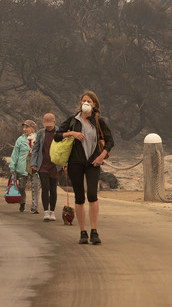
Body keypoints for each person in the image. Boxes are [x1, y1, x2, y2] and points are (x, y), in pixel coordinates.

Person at [55, 91, 114, 245]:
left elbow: (110, 141)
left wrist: (101, 156)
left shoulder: (99, 121)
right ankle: (83, 232)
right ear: (80, 103)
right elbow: (57, 135)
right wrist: (72, 133)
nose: (85, 103)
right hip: (75, 162)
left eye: (89, 101)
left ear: (94, 104)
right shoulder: (73, 120)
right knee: (79, 197)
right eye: (83, 101)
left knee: (92, 195)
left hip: (93, 162)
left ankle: (94, 231)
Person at [30, 113, 61, 221]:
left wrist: (64, 163)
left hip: (55, 164)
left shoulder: (60, 132)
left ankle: (52, 211)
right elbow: (36, 148)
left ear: (54, 122)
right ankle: (46, 211)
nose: (48, 126)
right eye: (46, 124)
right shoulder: (41, 133)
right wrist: (33, 163)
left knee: (53, 189)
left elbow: (64, 149)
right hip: (43, 163)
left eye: (50, 124)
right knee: (45, 187)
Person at [9, 120, 37, 213]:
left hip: (34, 167)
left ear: (32, 128)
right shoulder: (20, 140)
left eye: (27, 127)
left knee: (35, 188)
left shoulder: (37, 138)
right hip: (22, 167)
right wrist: (12, 167)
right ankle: (22, 202)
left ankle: (34, 206)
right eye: (24, 127)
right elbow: (15, 154)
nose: (24, 129)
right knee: (21, 187)